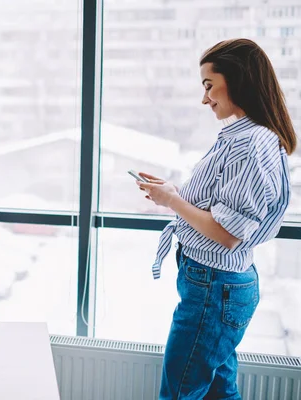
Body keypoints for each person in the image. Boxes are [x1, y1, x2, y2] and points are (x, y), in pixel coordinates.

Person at [137, 38, 296, 399]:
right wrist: (175, 195)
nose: (204, 98)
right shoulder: (244, 136)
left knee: (180, 392)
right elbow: (222, 209)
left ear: (237, 80)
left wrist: (172, 202)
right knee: (218, 391)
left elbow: (228, 234)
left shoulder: (249, 145)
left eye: (209, 86)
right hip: (217, 284)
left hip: (213, 285)